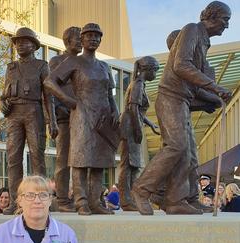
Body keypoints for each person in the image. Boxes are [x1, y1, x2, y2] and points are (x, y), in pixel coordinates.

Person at [132, 1, 232, 215]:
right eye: (226, 20)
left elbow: (194, 87)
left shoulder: (204, 43)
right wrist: (214, 87)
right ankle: (141, 189)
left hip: (183, 101)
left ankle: (178, 199)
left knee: (190, 155)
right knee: (176, 146)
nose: (227, 26)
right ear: (211, 16)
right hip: (170, 97)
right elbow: (181, 65)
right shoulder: (192, 29)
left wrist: (214, 99)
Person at [44, 23, 119, 216]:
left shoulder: (104, 65)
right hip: (82, 115)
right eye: (89, 36)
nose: (93, 39)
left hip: (102, 117)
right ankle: (81, 202)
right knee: (80, 160)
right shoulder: (73, 62)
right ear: (82, 39)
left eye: (97, 36)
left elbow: (109, 93)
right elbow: (49, 82)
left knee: (99, 161)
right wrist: (68, 100)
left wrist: (115, 111)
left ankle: (96, 202)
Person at [0, 27, 58, 215]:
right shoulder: (11, 67)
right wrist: (1, 103)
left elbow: (48, 96)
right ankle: (16, 202)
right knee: (13, 158)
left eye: (24, 42)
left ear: (34, 46)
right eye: (17, 42)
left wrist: (53, 122)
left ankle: (40, 199)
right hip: (13, 114)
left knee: (37, 156)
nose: (19, 45)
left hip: (34, 112)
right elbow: (3, 95)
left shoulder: (42, 65)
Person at [118, 56, 159, 211]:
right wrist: (137, 129)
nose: (155, 75)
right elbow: (133, 109)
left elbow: (138, 111)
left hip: (132, 125)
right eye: (155, 71)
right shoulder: (137, 84)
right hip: (130, 128)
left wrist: (150, 124)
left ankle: (130, 198)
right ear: (147, 70)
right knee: (128, 165)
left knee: (133, 166)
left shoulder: (139, 84)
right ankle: (126, 200)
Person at [49, 26, 81, 212]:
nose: (80, 42)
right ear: (67, 41)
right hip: (64, 118)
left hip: (82, 118)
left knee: (82, 160)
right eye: (77, 39)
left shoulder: (83, 62)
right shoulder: (57, 60)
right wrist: (53, 117)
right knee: (63, 160)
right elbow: (50, 89)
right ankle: (62, 199)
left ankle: (81, 198)